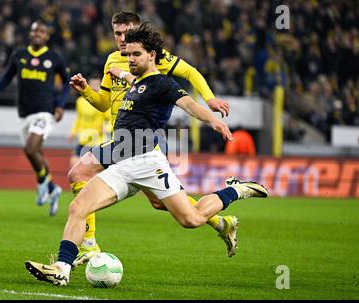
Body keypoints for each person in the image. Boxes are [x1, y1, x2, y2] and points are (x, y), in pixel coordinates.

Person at [25, 23, 268, 286]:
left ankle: (236, 190)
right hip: (121, 161)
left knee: (192, 218)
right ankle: (62, 269)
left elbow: (188, 103)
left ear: (152, 55)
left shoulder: (163, 84)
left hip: (147, 163)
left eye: (136, 54)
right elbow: (136, 83)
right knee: (78, 207)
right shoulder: (137, 81)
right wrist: (114, 76)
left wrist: (213, 119)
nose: (130, 59)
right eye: (128, 54)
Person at [67, 12, 234, 264]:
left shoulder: (155, 57)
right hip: (120, 139)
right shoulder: (113, 60)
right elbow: (103, 104)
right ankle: (221, 222)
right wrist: (87, 92)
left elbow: (191, 73)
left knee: (82, 175)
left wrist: (209, 99)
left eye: (127, 33)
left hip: (146, 139)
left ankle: (89, 247)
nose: (122, 39)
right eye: (117, 34)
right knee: (158, 201)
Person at [0, 20, 70, 216]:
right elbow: (8, 75)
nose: (38, 34)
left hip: (45, 111)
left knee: (31, 148)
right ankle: (52, 189)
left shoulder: (54, 57)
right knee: (35, 153)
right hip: (24, 113)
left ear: (47, 36)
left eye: (42, 31)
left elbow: (67, 83)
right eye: (35, 31)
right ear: (30, 34)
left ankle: (42, 182)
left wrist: (59, 105)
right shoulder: (19, 54)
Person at [69, 77, 111, 168]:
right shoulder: (80, 101)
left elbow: (112, 120)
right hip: (83, 139)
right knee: (74, 166)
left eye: (97, 85)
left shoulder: (103, 103)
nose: (95, 87)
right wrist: (73, 131)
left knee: (92, 170)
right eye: (93, 84)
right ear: (88, 85)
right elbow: (79, 118)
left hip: (97, 141)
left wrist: (106, 128)